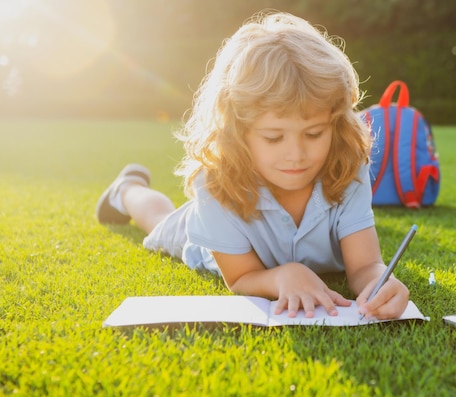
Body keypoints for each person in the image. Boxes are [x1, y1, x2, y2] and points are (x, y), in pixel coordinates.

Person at [96, 11, 409, 320]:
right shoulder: (216, 183)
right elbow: (241, 278)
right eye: (274, 138)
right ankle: (127, 190)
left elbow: (365, 265)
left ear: (335, 123)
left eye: (314, 134)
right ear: (237, 131)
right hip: (214, 242)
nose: (296, 154)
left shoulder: (346, 164)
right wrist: (284, 276)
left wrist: (379, 281)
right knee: (159, 219)